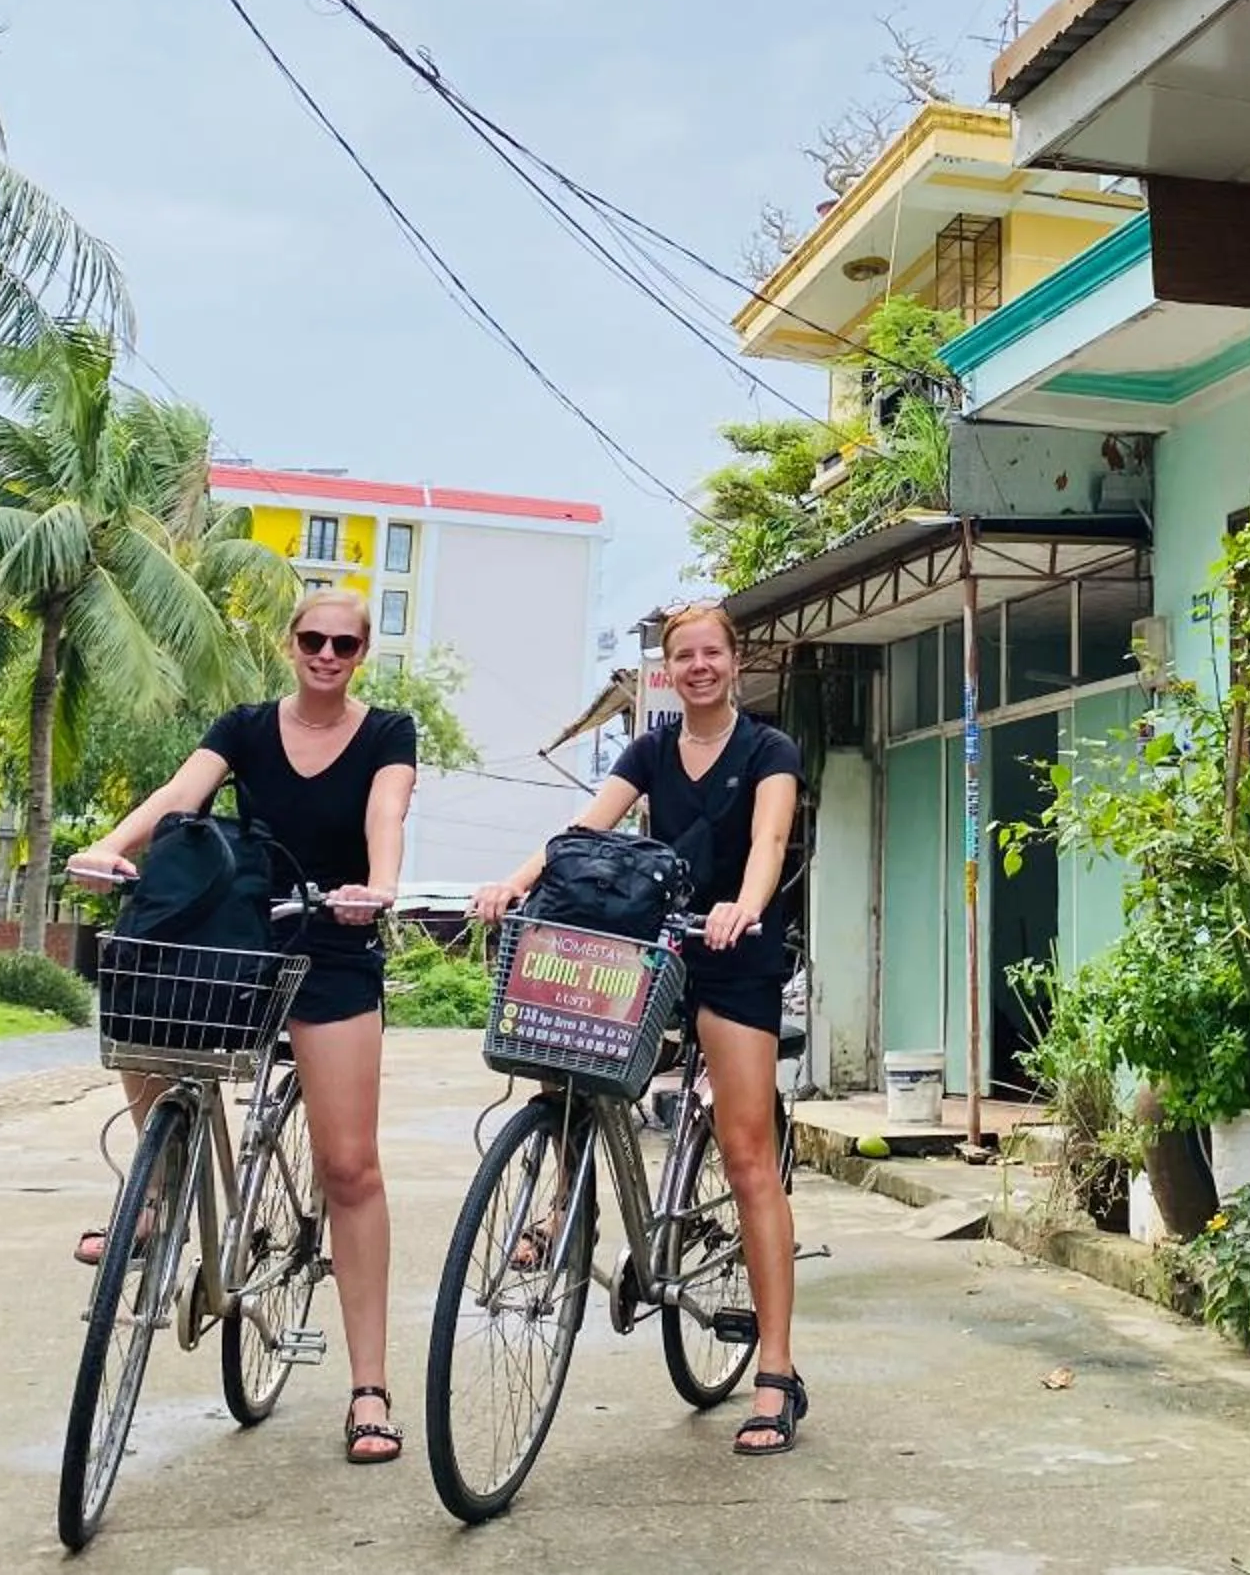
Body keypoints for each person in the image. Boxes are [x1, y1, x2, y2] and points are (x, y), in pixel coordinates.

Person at [66, 589, 416, 1467]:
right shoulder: (248, 725)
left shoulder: (386, 734)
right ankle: (153, 1192)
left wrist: (375, 886)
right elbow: (180, 795)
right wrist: (115, 846)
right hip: (248, 933)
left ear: (361, 653)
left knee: (348, 1165)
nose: (327, 654)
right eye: (313, 639)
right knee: (146, 986)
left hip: (334, 939)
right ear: (289, 644)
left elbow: (387, 814)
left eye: (344, 643)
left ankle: (368, 1387)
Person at [471, 600, 807, 1456]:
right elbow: (584, 834)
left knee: (745, 1151)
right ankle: (561, 1206)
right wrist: (514, 881)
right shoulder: (651, 749)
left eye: (710, 654)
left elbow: (769, 839)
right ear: (667, 670)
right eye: (681, 656)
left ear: (734, 663)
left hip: (737, 951)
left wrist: (746, 905)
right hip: (656, 944)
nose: (697, 667)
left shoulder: (770, 750)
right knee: (566, 1043)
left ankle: (775, 1372)